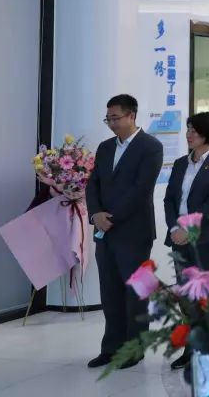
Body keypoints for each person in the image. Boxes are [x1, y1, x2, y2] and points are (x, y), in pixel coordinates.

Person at [86, 94, 164, 369]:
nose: (111, 123)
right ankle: (111, 348)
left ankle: (134, 349)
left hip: (133, 231)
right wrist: (96, 214)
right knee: (110, 292)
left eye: (115, 118)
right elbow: (93, 184)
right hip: (104, 231)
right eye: (108, 118)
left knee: (135, 294)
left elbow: (141, 190)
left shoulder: (150, 147)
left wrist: (111, 218)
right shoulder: (105, 147)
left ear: (132, 115)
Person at [163, 112, 209, 370]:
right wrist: (174, 227)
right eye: (188, 129)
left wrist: (187, 229)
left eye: (194, 130)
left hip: (206, 239)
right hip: (179, 238)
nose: (188, 134)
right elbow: (169, 199)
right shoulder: (181, 163)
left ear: (207, 134)